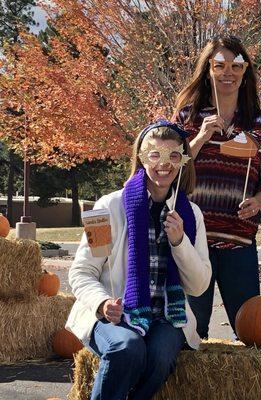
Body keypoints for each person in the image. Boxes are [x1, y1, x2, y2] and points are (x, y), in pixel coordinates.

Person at [66, 120, 211, 400]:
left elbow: (199, 286)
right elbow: (82, 272)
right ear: (141, 158)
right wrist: (102, 303)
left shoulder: (192, 215)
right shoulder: (107, 207)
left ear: (183, 161)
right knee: (128, 348)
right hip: (114, 316)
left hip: (167, 317)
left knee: (159, 356)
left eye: (173, 155)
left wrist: (180, 242)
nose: (163, 164)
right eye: (154, 154)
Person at [173, 36, 261, 339]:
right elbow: (170, 168)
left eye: (236, 66)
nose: (228, 73)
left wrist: (259, 202)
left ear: (245, 72)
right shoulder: (187, 118)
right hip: (193, 240)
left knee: (250, 331)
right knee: (191, 333)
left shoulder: (260, 123)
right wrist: (200, 138)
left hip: (239, 239)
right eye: (220, 66)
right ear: (208, 70)